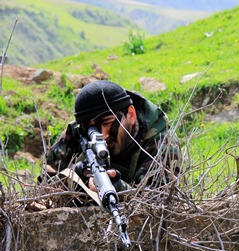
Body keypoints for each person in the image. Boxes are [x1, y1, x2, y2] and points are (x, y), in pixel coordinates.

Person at [43, 80, 182, 195]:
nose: (103, 135)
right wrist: (74, 177)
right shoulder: (76, 133)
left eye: (107, 123)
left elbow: (161, 202)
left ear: (131, 115)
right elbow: (43, 190)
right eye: (93, 129)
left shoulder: (161, 141)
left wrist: (120, 190)